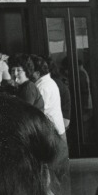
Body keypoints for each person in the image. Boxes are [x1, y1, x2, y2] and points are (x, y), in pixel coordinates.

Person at [31, 55, 70, 183]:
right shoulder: (50, 82)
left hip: (53, 135)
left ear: (36, 73)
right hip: (57, 132)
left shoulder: (42, 87)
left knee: (53, 180)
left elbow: (35, 114)